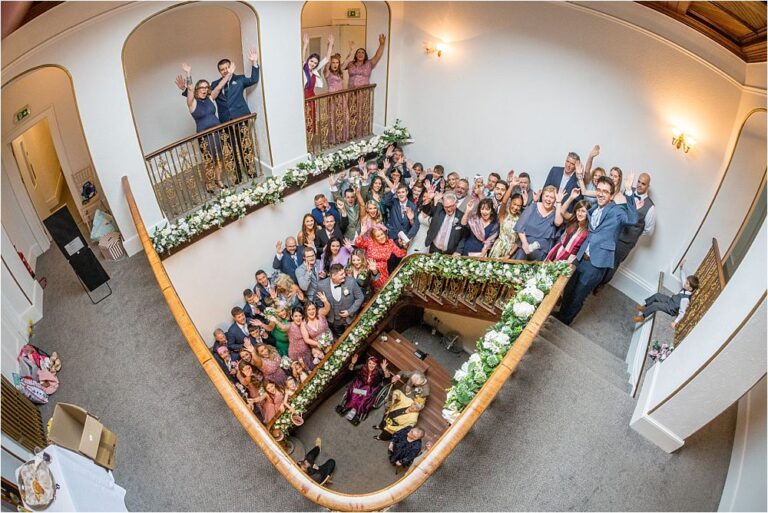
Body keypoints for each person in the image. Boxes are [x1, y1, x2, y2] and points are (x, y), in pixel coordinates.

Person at [556, 174, 639, 325]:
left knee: (579, 295)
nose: (601, 194)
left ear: (611, 195)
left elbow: (633, 219)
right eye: (599, 190)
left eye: (605, 191)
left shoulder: (616, 211)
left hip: (596, 263)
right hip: (580, 257)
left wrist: (628, 192)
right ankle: (561, 314)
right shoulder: (593, 209)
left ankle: (565, 321)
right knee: (568, 288)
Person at [175, 63, 234, 192]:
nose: (204, 89)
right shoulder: (192, 103)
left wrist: (229, 73)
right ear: (197, 89)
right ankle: (209, 183)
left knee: (220, 159)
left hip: (218, 134)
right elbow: (189, 90)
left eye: (206, 87)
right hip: (205, 137)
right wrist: (188, 73)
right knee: (209, 161)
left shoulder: (210, 98)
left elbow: (219, 86)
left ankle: (218, 180)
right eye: (201, 87)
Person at [598, 172, 656, 289]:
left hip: (625, 242)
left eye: (643, 184)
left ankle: (600, 286)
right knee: (603, 256)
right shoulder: (628, 191)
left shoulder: (650, 207)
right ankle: (594, 280)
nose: (639, 185)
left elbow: (648, 230)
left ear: (648, 186)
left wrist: (633, 232)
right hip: (613, 232)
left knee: (613, 265)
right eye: (638, 181)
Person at [634, 260, 698, 328]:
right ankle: (644, 307)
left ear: (690, 289)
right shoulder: (685, 287)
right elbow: (683, 278)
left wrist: (675, 322)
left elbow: (682, 312)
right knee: (657, 295)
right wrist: (681, 268)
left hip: (671, 308)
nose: (685, 283)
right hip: (670, 300)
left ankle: (642, 317)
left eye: (687, 283)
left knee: (656, 305)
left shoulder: (685, 299)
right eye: (686, 282)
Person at [512, 185, 565, 261]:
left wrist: (559, 202)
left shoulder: (556, 212)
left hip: (541, 250)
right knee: (522, 252)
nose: (548, 199)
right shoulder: (533, 207)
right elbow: (520, 226)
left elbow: (558, 223)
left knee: (529, 252)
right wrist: (524, 243)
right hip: (526, 244)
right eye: (546, 196)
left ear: (555, 199)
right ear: (542, 196)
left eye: (551, 197)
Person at [336, 354, 391, 425]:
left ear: (376, 365)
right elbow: (351, 368)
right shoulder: (363, 367)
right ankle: (347, 407)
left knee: (363, 399)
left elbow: (387, 376)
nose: (371, 365)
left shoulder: (379, 371)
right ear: (367, 363)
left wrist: (384, 369)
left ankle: (357, 413)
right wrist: (353, 363)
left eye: (373, 364)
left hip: (371, 388)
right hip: (361, 385)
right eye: (370, 363)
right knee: (354, 395)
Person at [316, 264, 365, 337]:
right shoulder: (321, 285)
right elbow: (318, 304)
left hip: (351, 319)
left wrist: (349, 311)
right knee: (341, 339)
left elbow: (360, 297)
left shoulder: (351, 282)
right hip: (334, 321)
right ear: (333, 276)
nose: (344, 275)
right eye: (341, 274)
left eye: (344, 273)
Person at [354, 225, 407, 291]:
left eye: (382, 234)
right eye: (378, 236)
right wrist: (362, 233)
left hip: (383, 272)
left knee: (383, 291)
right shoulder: (370, 242)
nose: (381, 237)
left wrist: (404, 246)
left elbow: (400, 254)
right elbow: (357, 243)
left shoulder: (390, 242)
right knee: (369, 291)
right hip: (369, 269)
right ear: (374, 237)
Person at [421, 190, 466, 255]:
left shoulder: (461, 216)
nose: (449, 209)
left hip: (451, 252)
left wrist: (458, 251)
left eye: (451, 206)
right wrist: (428, 199)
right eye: (446, 207)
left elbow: (464, 236)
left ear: (456, 203)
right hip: (434, 248)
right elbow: (426, 211)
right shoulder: (439, 209)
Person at [545, 198, 590, 263]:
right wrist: (571, 197)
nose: (580, 214)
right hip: (558, 251)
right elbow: (562, 211)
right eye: (578, 210)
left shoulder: (589, 228)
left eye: (583, 211)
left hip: (570, 259)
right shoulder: (573, 219)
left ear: (588, 213)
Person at [489, 193, 524, 258]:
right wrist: (511, 186)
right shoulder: (504, 214)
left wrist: (509, 254)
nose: (516, 207)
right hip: (499, 248)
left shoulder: (521, 219)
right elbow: (504, 202)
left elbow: (519, 241)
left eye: (519, 206)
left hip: (511, 251)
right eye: (514, 204)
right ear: (510, 202)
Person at [385, 184, 419, 249]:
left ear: (407, 192)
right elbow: (385, 201)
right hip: (393, 236)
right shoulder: (393, 202)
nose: (401, 194)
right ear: (396, 194)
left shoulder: (413, 207)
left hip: (405, 238)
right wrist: (393, 191)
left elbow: (415, 225)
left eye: (403, 192)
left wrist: (411, 220)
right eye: (398, 192)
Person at [287, 306, 320, 371]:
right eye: (296, 316)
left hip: (307, 351)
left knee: (314, 368)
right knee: (304, 372)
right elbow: (283, 327)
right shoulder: (289, 325)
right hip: (296, 355)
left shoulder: (305, 324)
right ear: (292, 317)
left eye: (300, 316)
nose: (298, 318)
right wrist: (276, 321)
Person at [302, 33, 334, 99]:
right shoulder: (303, 68)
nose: (313, 64)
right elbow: (302, 59)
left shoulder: (314, 70)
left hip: (312, 96)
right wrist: (305, 44)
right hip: (303, 97)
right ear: (308, 60)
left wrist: (330, 45)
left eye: (315, 63)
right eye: (311, 61)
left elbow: (327, 59)